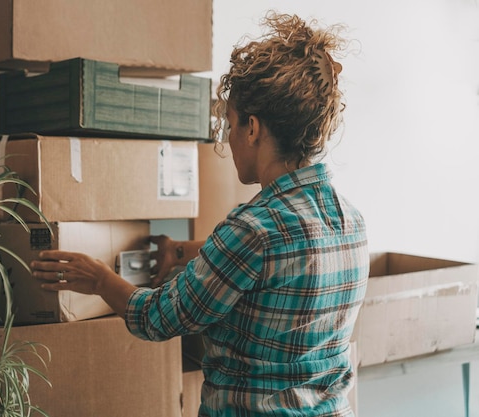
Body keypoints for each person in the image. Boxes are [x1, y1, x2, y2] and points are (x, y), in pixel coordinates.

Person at [31, 10, 369, 417]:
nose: (227, 138)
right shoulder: (350, 221)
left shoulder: (253, 230)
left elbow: (159, 318)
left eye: (229, 123)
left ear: (253, 128)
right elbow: (276, 270)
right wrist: (181, 253)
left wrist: (100, 278)